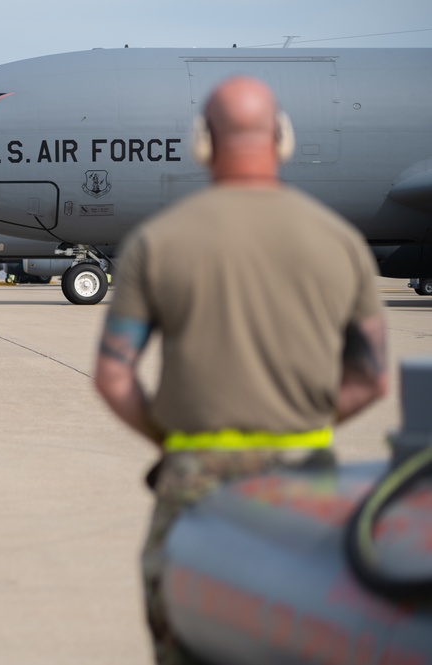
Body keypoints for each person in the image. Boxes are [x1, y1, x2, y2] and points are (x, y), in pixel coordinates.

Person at [92, 76, 388, 665]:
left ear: (203, 141)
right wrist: (305, 418)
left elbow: (114, 375)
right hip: (309, 485)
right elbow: (372, 376)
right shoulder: (341, 242)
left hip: (196, 485)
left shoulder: (158, 242)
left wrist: (173, 440)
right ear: (282, 138)